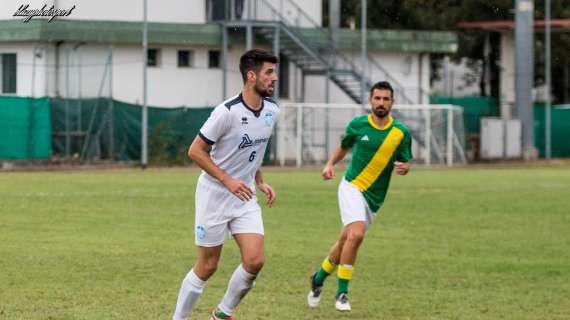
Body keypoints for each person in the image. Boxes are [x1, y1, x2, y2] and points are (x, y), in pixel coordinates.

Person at [172, 49, 279, 320]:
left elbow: (253, 151)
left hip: (244, 196)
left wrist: (260, 181)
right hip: (214, 194)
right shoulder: (226, 112)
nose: (274, 78)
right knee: (208, 266)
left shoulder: (272, 111)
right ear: (251, 75)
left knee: (255, 260)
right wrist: (227, 179)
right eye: (269, 72)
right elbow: (195, 151)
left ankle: (221, 314)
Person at [307, 81, 412, 312]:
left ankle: (318, 278)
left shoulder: (401, 133)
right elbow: (344, 146)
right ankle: (342, 293)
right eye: (377, 98)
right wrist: (329, 164)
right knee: (356, 234)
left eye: (386, 99)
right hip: (351, 186)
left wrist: (405, 168)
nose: (381, 103)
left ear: (392, 102)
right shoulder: (358, 125)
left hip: (374, 199)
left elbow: (405, 161)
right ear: (370, 101)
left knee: (346, 240)